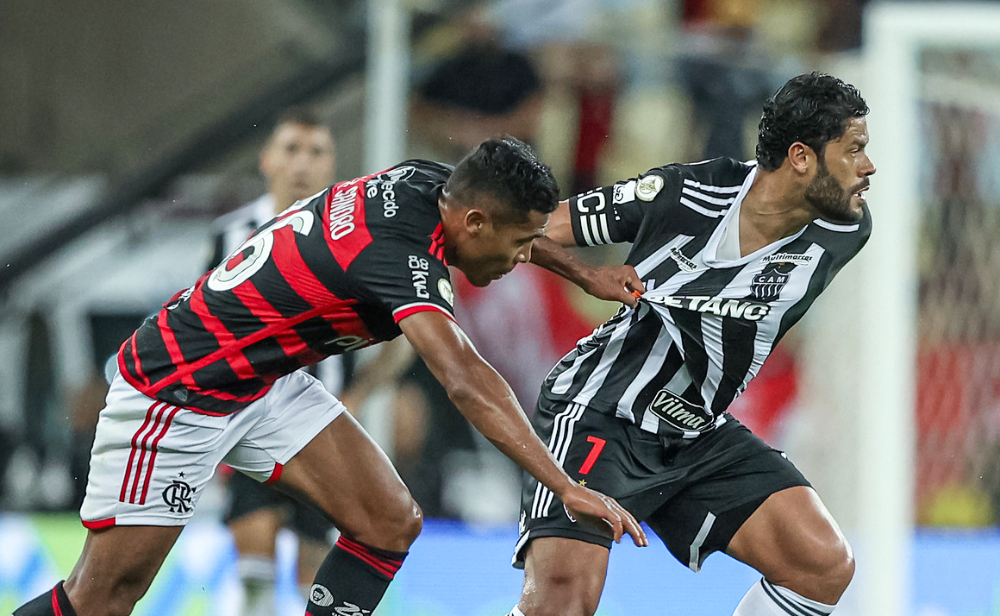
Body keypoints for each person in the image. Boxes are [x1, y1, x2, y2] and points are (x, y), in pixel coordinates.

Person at [12, 136, 646, 616]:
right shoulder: (400, 257)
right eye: (517, 244)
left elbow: (517, 231)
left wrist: (584, 273)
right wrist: (565, 485)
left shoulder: (436, 186)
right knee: (104, 595)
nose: (518, 258)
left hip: (264, 382)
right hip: (181, 388)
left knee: (387, 520)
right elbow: (464, 379)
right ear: (474, 223)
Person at [506, 72, 876, 616]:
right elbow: (522, 227)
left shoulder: (845, 229)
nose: (867, 169)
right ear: (801, 157)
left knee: (821, 564)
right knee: (561, 603)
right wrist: (585, 274)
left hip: (694, 428)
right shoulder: (686, 194)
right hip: (600, 408)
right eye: (854, 150)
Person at [208, 107, 339, 614]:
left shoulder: (347, 237)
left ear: (332, 165)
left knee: (315, 572)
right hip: (248, 419)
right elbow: (204, 324)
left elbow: (397, 337)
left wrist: (361, 393)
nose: (302, 163)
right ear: (267, 160)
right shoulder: (232, 234)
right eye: (291, 149)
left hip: (324, 423)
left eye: (316, 152)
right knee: (256, 571)